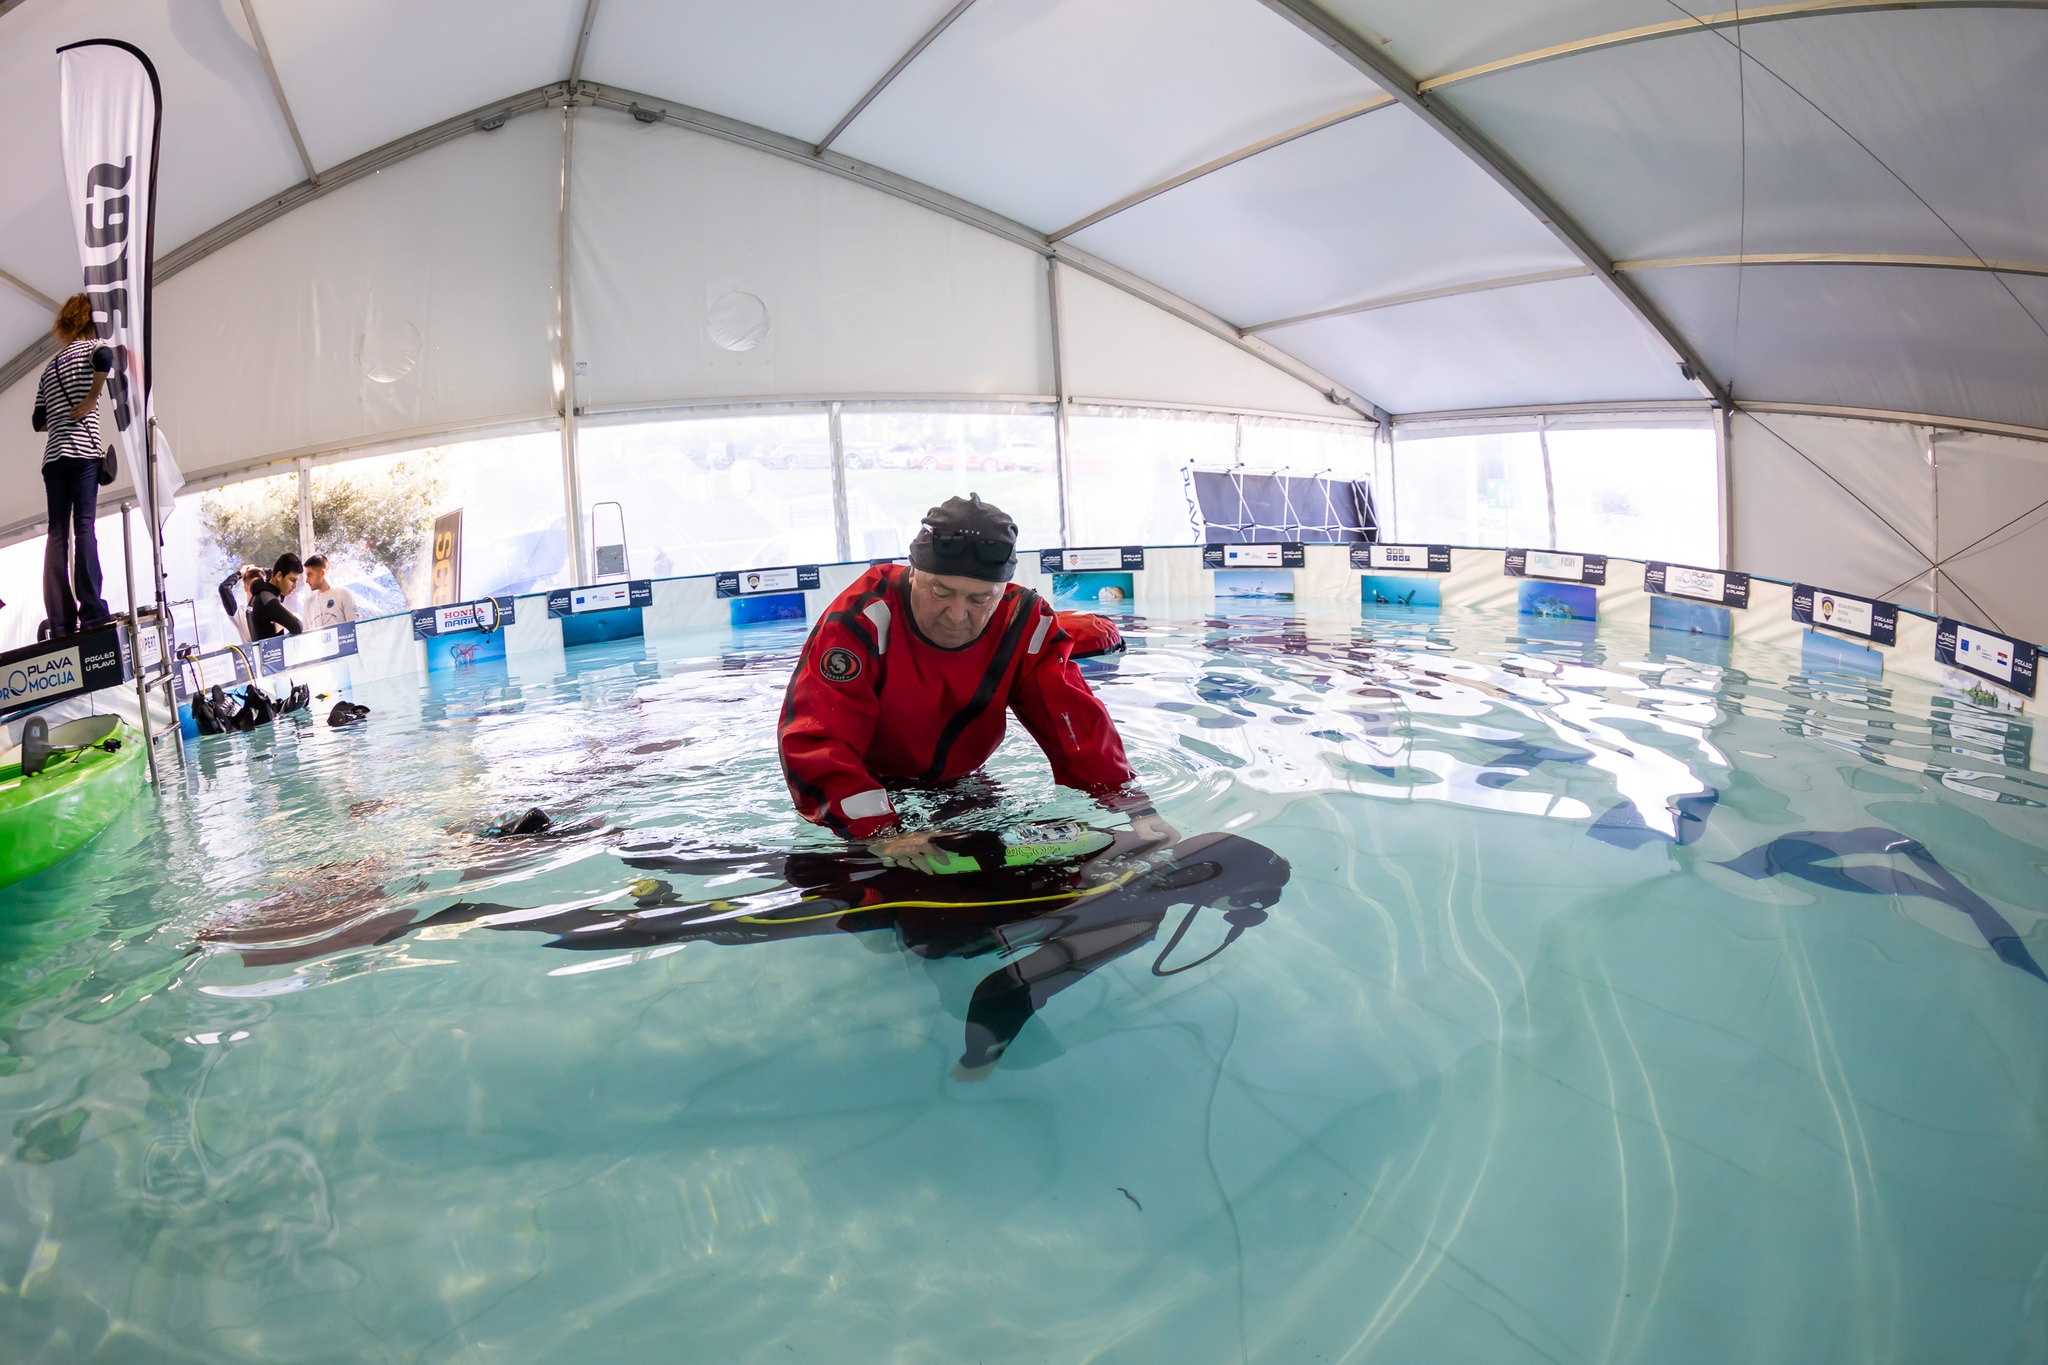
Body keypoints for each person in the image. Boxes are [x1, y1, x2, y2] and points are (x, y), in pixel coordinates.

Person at [778, 494, 1172, 864]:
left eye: (980, 599)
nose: (956, 614)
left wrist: (1134, 809)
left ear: (1004, 590)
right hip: (867, 786)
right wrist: (880, 832)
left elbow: (1077, 728)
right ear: (912, 572)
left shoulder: (1025, 623)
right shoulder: (861, 618)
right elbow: (816, 738)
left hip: (964, 784)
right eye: (941, 591)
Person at [29, 294, 113, 638]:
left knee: (57, 535)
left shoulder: (50, 367)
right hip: (82, 455)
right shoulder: (93, 346)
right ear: (89, 320)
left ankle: (61, 621)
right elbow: (106, 357)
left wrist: (60, 419)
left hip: (53, 460)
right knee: (84, 528)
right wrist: (92, 397)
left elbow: (37, 420)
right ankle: (92, 611)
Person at [248, 553, 304, 639]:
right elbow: (297, 627)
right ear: (279, 576)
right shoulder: (267, 598)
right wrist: (294, 616)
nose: (295, 586)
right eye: (292, 580)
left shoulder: (263, 594)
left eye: (297, 581)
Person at [301, 555, 359, 629]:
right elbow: (305, 634)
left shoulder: (343, 594)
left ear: (322, 573)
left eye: (309, 575)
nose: (307, 581)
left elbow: (355, 627)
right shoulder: (308, 603)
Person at [217, 564, 265, 645]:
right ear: (246, 588)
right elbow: (224, 588)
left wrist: (261, 569)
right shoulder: (240, 613)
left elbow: (281, 576)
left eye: (262, 585)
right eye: (255, 585)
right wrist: (240, 573)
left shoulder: (272, 605)